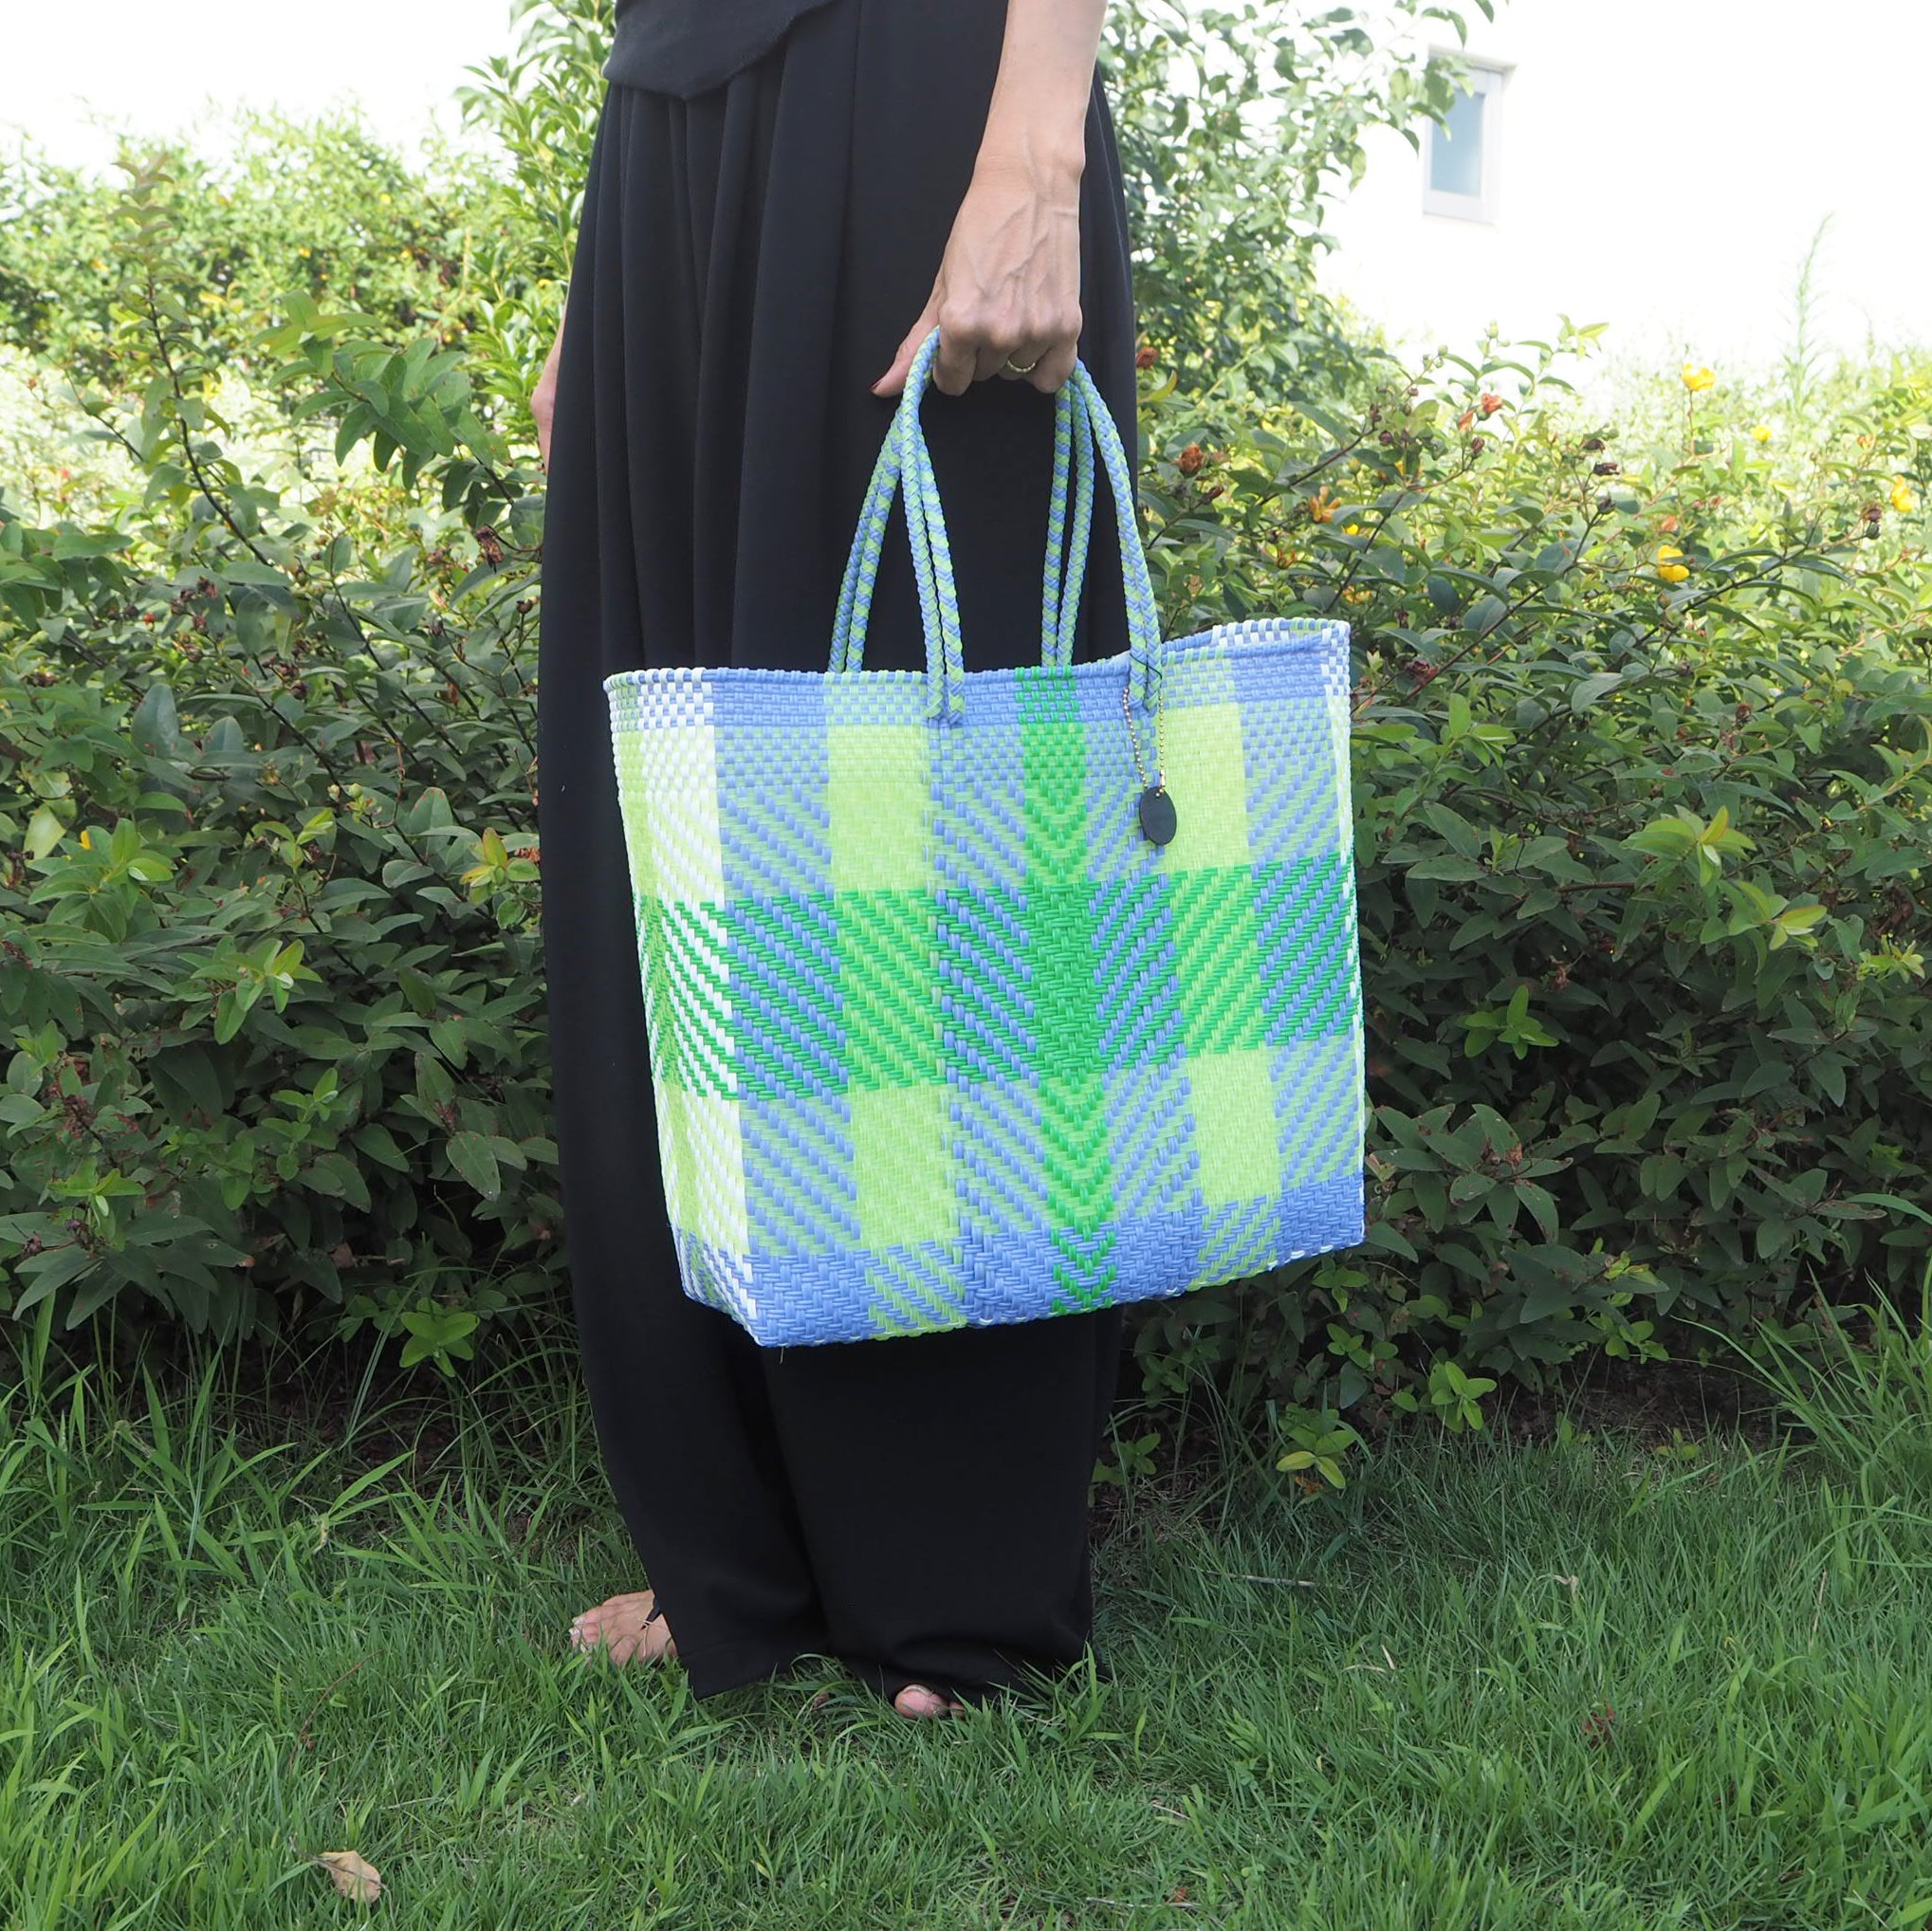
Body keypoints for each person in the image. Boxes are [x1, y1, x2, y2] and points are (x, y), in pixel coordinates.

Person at [532, 0, 1140, 1720]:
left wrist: (1033, 155)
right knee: (686, 835)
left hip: (924, 103)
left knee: (945, 839)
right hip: (678, 137)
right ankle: (737, 1549)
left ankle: (950, 1576)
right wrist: (603, 283)